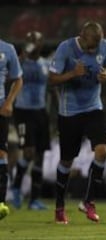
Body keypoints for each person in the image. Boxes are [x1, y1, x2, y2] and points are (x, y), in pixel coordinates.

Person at [48, 21, 106, 224]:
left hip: (94, 107)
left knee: (103, 150)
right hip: (70, 112)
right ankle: (59, 206)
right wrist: (72, 74)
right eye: (90, 45)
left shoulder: (105, 46)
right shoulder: (65, 48)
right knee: (67, 161)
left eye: (96, 45)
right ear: (81, 35)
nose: (94, 50)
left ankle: (88, 201)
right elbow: (52, 78)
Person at [11, 31, 50, 210]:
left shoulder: (45, 64)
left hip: (41, 112)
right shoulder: (20, 63)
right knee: (28, 152)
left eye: (37, 40)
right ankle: (16, 188)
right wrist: (24, 53)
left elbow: (52, 88)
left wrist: (59, 112)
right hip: (23, 111)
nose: (34, 43)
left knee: (41, 155)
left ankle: (34, 198)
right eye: (30, 40)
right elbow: (10, 76)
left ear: (42, 44)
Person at [0, 38, 23, 220]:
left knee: (1, 154)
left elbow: (18, 80)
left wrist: (9, 102)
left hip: (0, 108)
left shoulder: (7, 49)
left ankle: (0, 202)